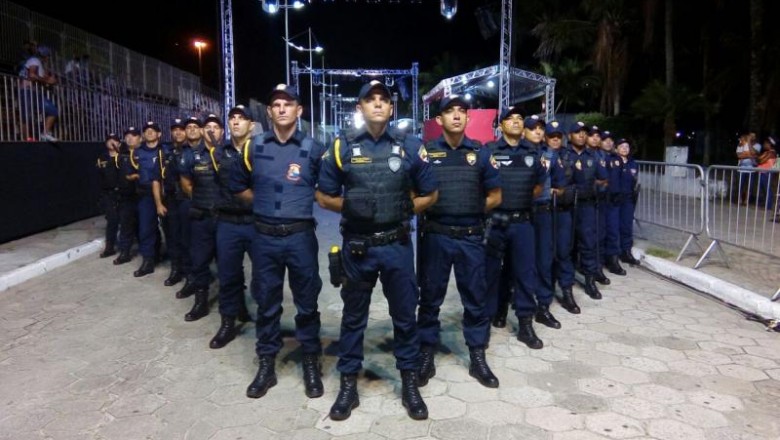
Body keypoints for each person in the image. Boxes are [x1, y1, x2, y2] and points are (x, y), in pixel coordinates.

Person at [316, 80, 438, 421]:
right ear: (360, 108)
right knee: (353, 319)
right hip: (358, 248)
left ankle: (410, 383)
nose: (378, 104)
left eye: (384, 99)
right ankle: (348, 386)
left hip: (397, 245)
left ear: (390, 107)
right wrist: (352, 208)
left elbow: (431, 194)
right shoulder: (341, 146)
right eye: (371, 100)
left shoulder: (411, 146)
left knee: (404, 317)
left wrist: (402, 211)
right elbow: (323, 196)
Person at [232, 87, 325, 398]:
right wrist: (265, 207)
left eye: (288, 104)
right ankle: (266, 364)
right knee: (267, 303)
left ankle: (311, 360)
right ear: (269, 112)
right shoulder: (253, 147)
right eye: (276, 105)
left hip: (300, 237)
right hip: (265, 238)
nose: (282, 109)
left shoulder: (314, 149)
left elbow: (327, 189)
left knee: (307, 302)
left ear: (299, 111)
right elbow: (237, 186)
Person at [416, 95, 501, 389]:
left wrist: (471, 210)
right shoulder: (426, 153)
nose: (456, 116)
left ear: (468, 118)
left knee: (475, 299)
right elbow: (413, 193)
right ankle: (426, 353)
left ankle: (477, 356)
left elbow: (495, 195)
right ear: (438, 120)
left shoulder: (480, 153)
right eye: (449, 112)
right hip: (436, 237)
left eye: (461, 112)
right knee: (429, 299)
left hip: (470, 238)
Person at [484, 111, 547, 349]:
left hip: (522, 223)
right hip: (495, 224)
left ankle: (525, 324)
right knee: (489, 274)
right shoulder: (489, 151)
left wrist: (518, 200)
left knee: (524, 274)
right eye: (510, 119)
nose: (516, 121)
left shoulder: (533, 153)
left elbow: (539, 186)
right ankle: (487, 320)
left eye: (520, 119)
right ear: (501, 125)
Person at [179, 114, 224, 321]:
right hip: (201, 218)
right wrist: (202, 201)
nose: (212, 130)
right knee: (199, 262)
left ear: (222, 132)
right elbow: (186, 184)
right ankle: (201, 302)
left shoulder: (229, 154)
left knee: (229, 264)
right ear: (203, 131)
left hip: (225, 219)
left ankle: (235, 305)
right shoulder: (191, 155)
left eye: (216, 127)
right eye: (208, 127)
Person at [563, 121, 609, 300]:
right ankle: (566, 284)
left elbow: (604, 179)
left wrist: (591, 187)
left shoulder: (594, 156)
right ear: (570, 136)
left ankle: (590, 281)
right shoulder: (564, 155)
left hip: (587, 205)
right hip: (566, 207)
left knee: (588, 244)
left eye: (584, 132)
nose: (581, 135)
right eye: (577, 132)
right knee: (566, 246)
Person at [545, 121, 581, 313]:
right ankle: (544, 292)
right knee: (543, 254)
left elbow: (578, 185)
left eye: (558, 136)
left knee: (564, 253)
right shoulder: (538, 155)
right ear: (546, 137)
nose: (556, 139)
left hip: (563, 211)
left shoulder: (570, 157)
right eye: (552, 136)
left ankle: (567, 291)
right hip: (542, 213)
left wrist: (561, 193)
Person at [156, 118, 189, 286]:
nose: (178, 132)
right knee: (172, 237)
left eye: (181, 129)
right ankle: (176, 270)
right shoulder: (166, 152)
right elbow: (157, 179)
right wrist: (159, 203)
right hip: (170, 200)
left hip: (186, 200)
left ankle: (191, 274)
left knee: (187, 238)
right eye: (175, 129)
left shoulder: (192, 151)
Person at [132, 121, 164, 277]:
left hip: (165, 194)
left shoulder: (166, 150)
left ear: (159, 134)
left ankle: (176, 261)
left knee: (172, 229)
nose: (150, 132)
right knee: (145, 228)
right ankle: (148, 261)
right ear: (143, 135)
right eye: (147, 131)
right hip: (145, 194)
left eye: (153, 130)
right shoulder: (137, 152)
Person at [113, 127, 142, 265]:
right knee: (125, 225)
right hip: (126, 196)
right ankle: (125, 253)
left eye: (134, 135)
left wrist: (137, 176)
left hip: (142, 196)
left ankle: (151, 254)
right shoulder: (121, 155)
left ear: (140, 138)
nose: (130, 138)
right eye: (127, 136)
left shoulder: (144, 153)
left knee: (146, 226)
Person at [18, 45, 58, 142]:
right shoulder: (35, 60)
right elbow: (32, 75)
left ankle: (45, 134)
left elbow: (41, 78)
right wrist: (47, 81)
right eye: (47, 56)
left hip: (36, 94)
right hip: (27, 92)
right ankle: (27, 140)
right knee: (26, 117)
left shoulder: (38, 63)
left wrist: (49, 80)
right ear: (43, 55)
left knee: (53, 111)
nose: (48, 58)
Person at [600, 130, 626, 276]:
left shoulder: (617, 159)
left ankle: (613, 260)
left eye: (610, 140)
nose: (608, 142)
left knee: (613, 231)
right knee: (600, 231)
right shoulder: (597, 157)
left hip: (614, 201)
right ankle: (600, 260)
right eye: (605, 140)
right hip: (601, 200)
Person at [615, 139, 641, 266]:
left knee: (626, 226)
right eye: (622, 146)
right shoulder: (612, 161)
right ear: (616, 149)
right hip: (614, 199)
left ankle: (626, 252)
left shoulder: (633, 163)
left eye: (627, 146)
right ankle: (614, 253)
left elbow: (634, 181)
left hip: (628, 199)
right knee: (614, 227)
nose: (625, 148)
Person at [97, 133, 121, 258]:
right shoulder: (102, 158)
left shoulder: (124, 156)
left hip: (122, 193)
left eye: (115, 140)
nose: (112, 142)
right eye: (109, 140)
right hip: (108, 193)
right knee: (112, 220)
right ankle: (109, 247)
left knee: (128, 220)